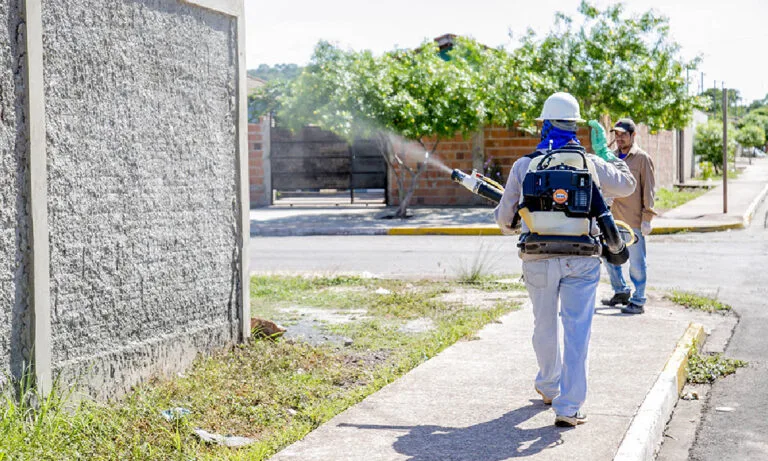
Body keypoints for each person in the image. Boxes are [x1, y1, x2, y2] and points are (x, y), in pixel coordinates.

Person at [494, 92, 635, 427]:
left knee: (543, 324)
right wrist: (607, 155)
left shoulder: (524, 164)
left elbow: (504, 221)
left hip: (537, 257)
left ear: (544, 124)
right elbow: (628, 186)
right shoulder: (591, 163)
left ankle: (548, 386)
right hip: (582, 258)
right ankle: (569, 407)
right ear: (576, 126)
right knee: (577, 330)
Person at [601, 118, 657, 315]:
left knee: (636, 263)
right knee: (609, 257)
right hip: (611, 219)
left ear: (633, 135)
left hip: (632, 220)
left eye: (623, 134)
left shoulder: (642, 159)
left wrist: (647, 218)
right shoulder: (611, 157)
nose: (619, 138)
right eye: (616, 134)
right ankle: (621, 291)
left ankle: (639, 300)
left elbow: (649, 189)